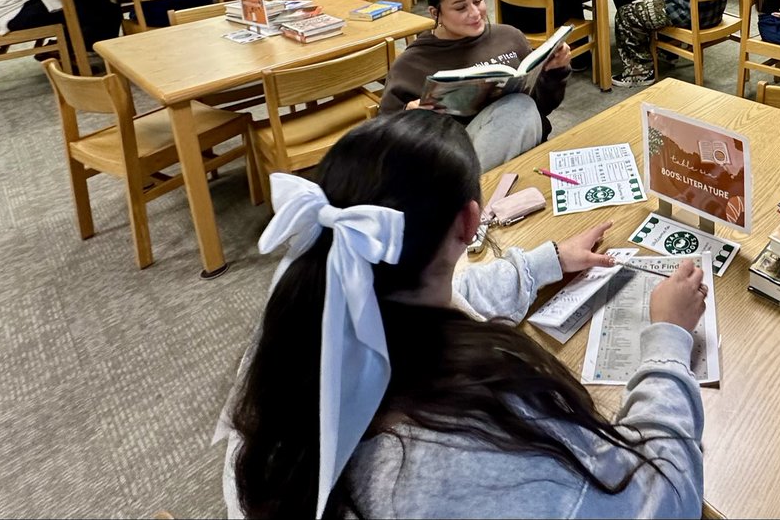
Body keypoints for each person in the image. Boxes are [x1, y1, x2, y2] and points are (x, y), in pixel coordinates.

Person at [220, 112, 706, 519]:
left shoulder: (304, 317)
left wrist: (547, 262)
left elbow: (449, 293)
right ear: (471, 221)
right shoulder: (485, 437)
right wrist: (668, 338)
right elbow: (664, 497)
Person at [379, 0, 572, 170]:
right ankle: (473, 186)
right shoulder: (411, 63)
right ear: (436, 13)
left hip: (524, 148)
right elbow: (384, 142)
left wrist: (555, 72)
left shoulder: (509, 37)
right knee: (519, 106)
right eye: (460, 8)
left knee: (523, 108)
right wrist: (408, 116)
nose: (475, 13)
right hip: (454, 161)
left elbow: (542, 108)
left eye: (478, 1)